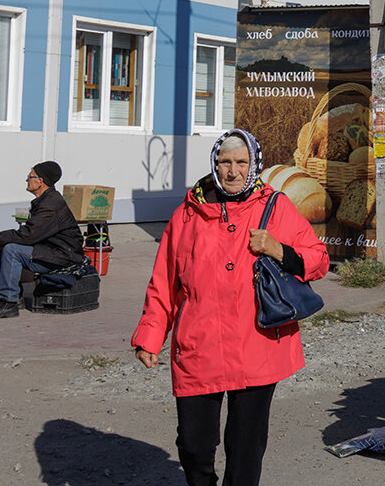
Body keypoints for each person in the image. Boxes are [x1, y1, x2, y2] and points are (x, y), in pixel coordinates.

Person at [132, 130, 329, 486]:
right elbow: (164, 280)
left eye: (242, 162)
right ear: (214, 164)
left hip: (257, 345)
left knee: (245, 449)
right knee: (193, 445)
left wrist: (279, 249)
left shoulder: (276, 206)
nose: (233, 171)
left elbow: (318, 260)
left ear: (254, 164)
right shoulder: (187, 215)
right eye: (225, 162)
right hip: (198, 344)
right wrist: (150, 334)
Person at [0, 161, 84, 320]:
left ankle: (7, 303)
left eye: (30, 176)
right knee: (10, 248)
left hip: (64, 256)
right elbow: (33, 235)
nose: (26, 179)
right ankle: (14, 298)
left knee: (12, 251)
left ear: (40, 181)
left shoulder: (50, 205)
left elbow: (28, 235)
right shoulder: (45, 200)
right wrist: (1, 244)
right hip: (54, 251)